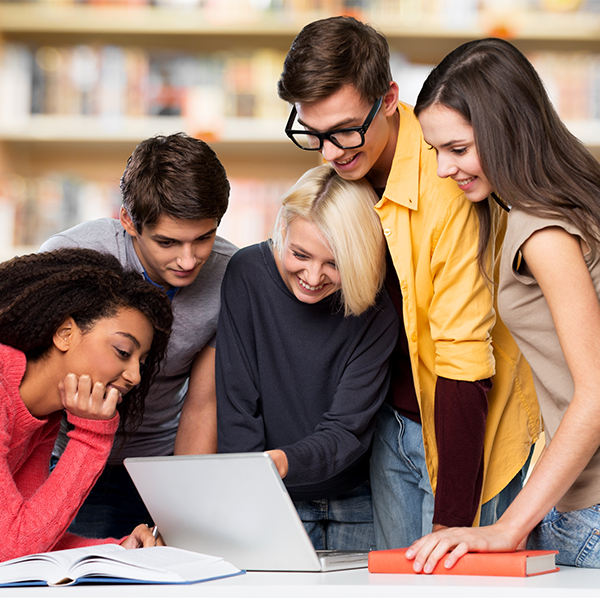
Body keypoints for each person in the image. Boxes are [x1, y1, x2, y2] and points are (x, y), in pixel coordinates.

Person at [277, 16, 541, 550]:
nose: (331, 153)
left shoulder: (448, 183)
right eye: (314, 133)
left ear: (390, 97)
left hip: (468, 429)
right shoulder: (341, 170)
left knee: (454, 580)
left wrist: (452, 523)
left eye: (346, 130)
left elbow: (464, 361)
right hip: (390, 423)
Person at [407, 37, 600, 571]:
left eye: (459, 148)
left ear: (507, 129)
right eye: (435, 151)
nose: (445, 169)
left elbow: (596, 392)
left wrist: (506, 528)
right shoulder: (576, 199)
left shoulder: (540, 229)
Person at [39, 132, 237, 538]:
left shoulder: (231, 276)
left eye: (203, 238)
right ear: (128, 220)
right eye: (167, 242)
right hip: (66, 458)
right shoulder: (72, 257)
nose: (188, 260)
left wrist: (181, 507)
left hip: (158, 469)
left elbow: (203, 403)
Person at [216, 164, 399, 551]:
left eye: (335, 263)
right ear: (282, 228)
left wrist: (279, 462)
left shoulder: (378, 306)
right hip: (270, 498)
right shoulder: (246, 275)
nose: (313, 277)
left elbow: (347, 430)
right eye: (300, 254)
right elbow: (237, 409)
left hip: (358, 500)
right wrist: (252, 489)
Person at [0, 247, 173, 562]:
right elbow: (11, 549)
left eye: (142, 363)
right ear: (65, 333)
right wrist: (93, 437)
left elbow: (31, 536)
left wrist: (117, 550)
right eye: (123, 351)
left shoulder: (46, 416)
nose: (134, 376)